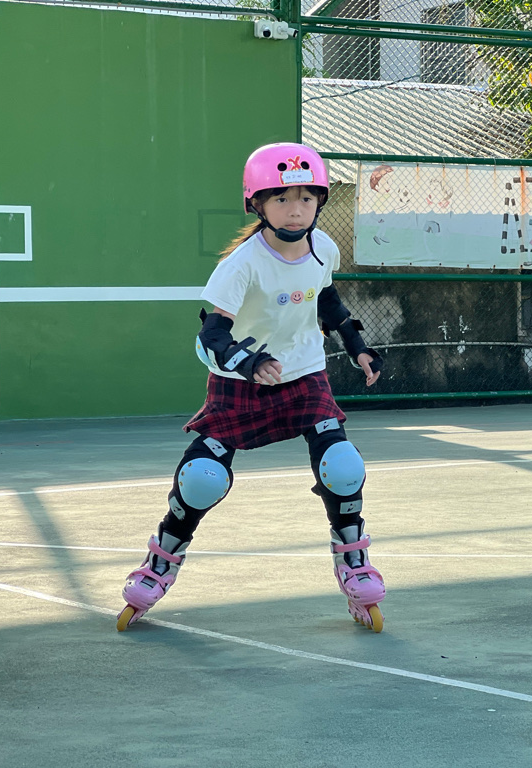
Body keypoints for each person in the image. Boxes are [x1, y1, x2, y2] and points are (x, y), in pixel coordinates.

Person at [117, 143, 387, 633]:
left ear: (319, 202)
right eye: (282, 199)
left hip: (305, 375)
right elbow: (212, 334)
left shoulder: (323, 248)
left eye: (306, 198)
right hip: (240, 384)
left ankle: (353, 561)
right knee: (202, 477)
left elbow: (326, 298)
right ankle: (160, 562)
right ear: (257, 204)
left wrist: (356, 345)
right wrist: (250, 361)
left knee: (343, 465)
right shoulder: (242, 264)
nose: (296, 209)